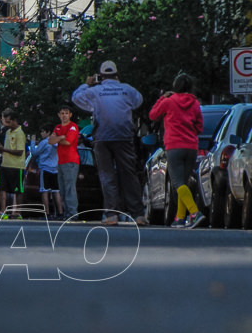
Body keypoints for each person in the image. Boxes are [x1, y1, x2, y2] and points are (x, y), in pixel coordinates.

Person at [72, 61, 147, 225]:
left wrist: (86, 84)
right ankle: (138, 214)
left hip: (103, 137)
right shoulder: (126, 89)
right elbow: (138, 101)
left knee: (107, 176)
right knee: (129, 174)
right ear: (117, 75)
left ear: (101, 76)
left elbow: (76, 98)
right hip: (124, 136)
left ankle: (111, 214)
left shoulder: (96, 91)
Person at [149, 72, 206, 228]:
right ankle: (179, 218)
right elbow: (199, 127)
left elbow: (153, 115)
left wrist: (162, 97)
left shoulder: (169, 102)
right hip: (191, 147)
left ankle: (195, 212)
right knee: (184, 183)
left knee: (178, 183)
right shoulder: (195, 104)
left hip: (174, 146)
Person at [49, 106, 80, 219]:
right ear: (59, 115)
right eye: (62, 113)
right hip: (60, 161)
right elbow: (50, 141)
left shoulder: (73, 127)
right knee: (62, 188)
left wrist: (59, 137)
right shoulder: (57, 127)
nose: (64, 115)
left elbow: (68, 141)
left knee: (69, 187)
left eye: (66, 113)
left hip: (71, 161)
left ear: (70, 115)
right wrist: (61, 136)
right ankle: (67, 213)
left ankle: (72, 213)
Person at [0, 109, 26, 218]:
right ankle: (3, 211)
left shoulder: (20, 133)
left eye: (9, 122)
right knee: (2, 189)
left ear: (14, 121)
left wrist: (4, 150)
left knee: (17, 190)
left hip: (16, 166)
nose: (7, 124)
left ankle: (17, 212)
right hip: (5, 164)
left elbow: (20, 151)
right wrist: (2, 150)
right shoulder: (8, 132)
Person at [31, 127, 64, 219]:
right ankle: (60, 213)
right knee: (56, 191)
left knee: (44, 191)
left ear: (48, 132)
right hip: (55, 168)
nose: (41, 133)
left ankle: (47, 213)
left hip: (45, 168)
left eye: (42, 131)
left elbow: (35, 152)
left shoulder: (45, 142)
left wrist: (33, 142)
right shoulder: (57, 143)